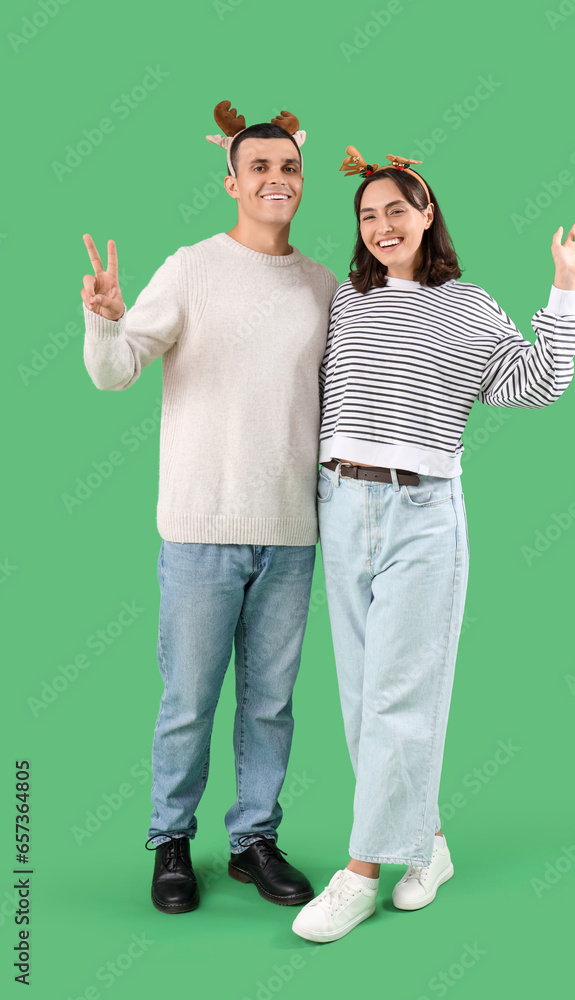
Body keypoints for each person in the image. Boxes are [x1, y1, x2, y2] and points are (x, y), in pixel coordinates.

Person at [292, 145, 575, 942]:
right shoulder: (349, 304)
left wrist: (563, 289)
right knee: (365, 699)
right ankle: (424, 846)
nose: (381, 226)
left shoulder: (466, 305)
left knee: (400, 694)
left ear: (427, 214)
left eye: (396, 209)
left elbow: (532, 384)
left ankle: (360, 872)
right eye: (367, 216)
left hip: (421, 512)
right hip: (339, 500)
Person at [80, 101, 339, 914]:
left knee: (270, 702)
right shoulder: (191, 267)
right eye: (258, 167)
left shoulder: (324, 286)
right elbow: (116, 371)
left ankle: (253, 838)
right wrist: (103, 320)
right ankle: (169, 842)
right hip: (199, 529)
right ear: (231, 181)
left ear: (301, 181)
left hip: (292, 534)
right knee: (188, 698)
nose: (276, 179)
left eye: (288, 167)